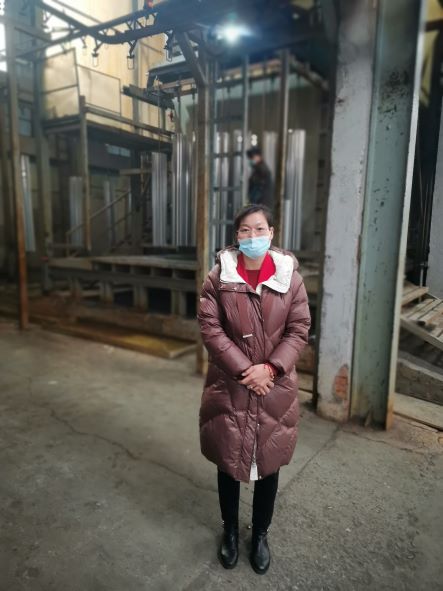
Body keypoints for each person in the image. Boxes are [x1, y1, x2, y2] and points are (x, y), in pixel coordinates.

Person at [197, 204, 311, 575]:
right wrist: (246, 370)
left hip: (274, 386)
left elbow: (299, 329)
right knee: (229, 462)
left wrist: (271, 368)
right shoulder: (219, 277)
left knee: (269, 462)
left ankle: (260, 534)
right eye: (244, 230)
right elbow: (210, 327)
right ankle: (230, 532)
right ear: (236, 236)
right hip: (231, 384)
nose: (252, 236)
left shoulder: (290, 278)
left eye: (259, 229)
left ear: (272, 232)